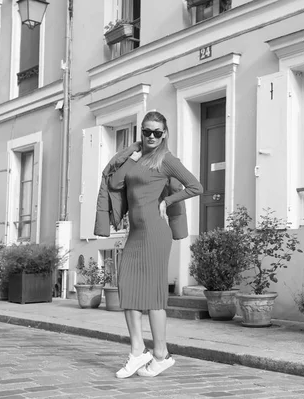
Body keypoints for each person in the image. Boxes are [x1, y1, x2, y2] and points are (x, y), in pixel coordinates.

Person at [108, 110, 203, 378]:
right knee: (127, 287)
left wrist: (166, 201)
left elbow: (196, 186)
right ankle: (139, 351)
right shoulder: (138, 159)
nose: (151, 136)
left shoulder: (167, 160)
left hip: (155, 234)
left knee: (153, 296)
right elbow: (115, 181)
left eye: (157, 132)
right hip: (136, 233)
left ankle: (160, 354)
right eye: (147, 131)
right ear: (142, 132)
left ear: (165, 134)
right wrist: (132, 156)